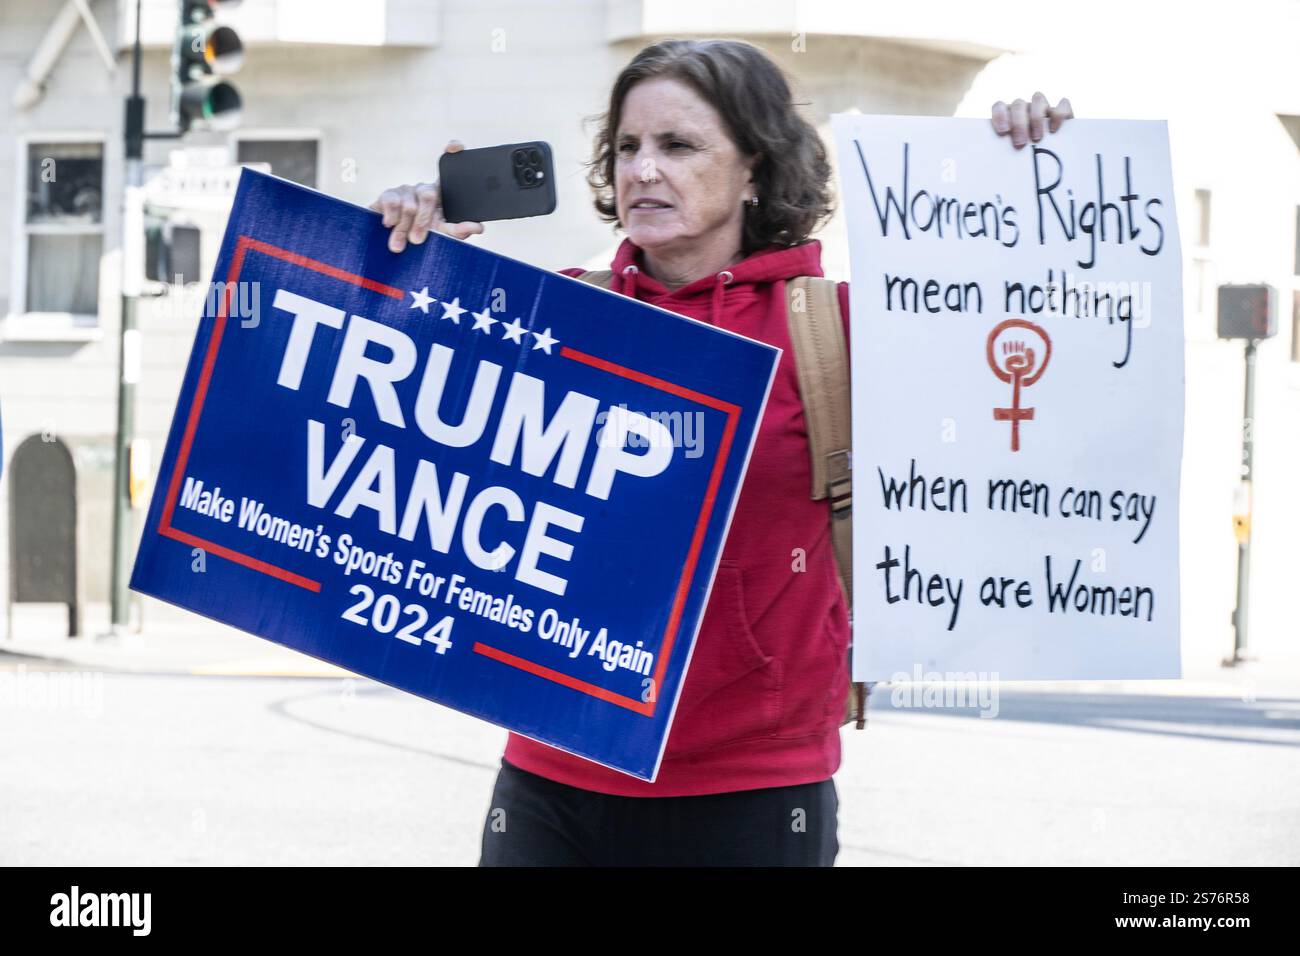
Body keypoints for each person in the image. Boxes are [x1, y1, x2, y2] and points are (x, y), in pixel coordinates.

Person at [371, 38, 1072, 867]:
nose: (641, 171)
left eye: (678, 145)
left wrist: (1031, 184)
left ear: (754, 169)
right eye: (627, 148)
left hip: (755, 790)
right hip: (551, 778)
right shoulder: (559, 313)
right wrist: (404, 266)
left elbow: (1028, 384)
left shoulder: (838, 328)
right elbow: (398, 424)